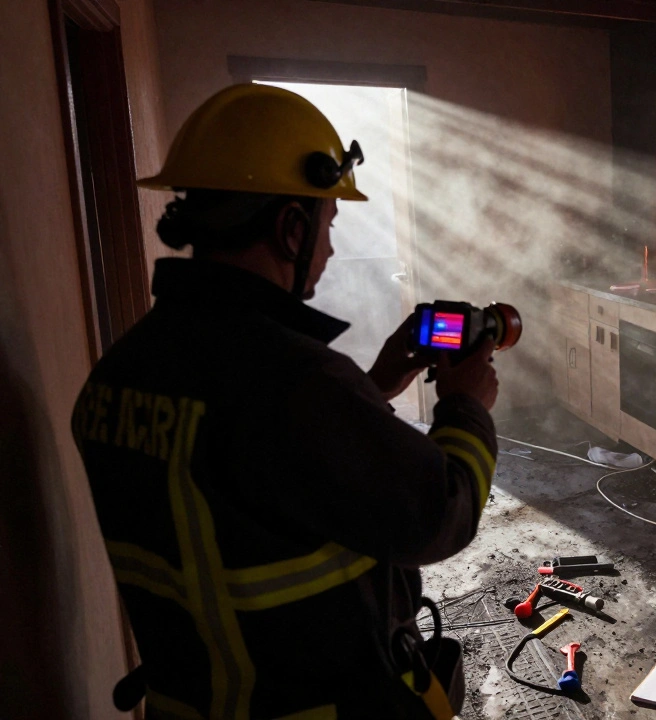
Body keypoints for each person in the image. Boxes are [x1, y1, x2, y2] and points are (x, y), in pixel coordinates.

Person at [71, 83, 496, 719]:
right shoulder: (293, 381)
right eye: (327, 224)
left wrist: (372, 386)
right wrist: (467, 407)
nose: (327, 248)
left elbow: (252, 465)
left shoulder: (116, 374)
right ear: (291, 229)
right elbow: (439, 515)